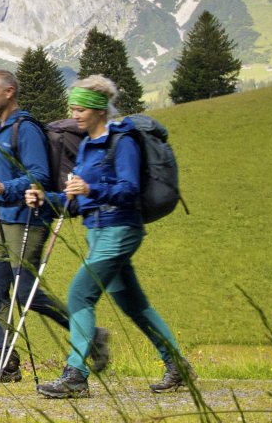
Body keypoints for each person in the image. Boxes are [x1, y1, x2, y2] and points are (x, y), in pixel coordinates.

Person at [26, 75, 192, 398]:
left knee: (79, 295)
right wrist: (48, 198)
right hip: (98, 233)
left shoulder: (123, 140)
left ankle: (75, 375)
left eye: (80, 109)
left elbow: (128, 190)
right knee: (135, 304)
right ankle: (178, 365)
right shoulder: (87, 146)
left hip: (119, 230)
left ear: (99, 110)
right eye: (72, 108)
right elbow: (78, 201)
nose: (74, 114)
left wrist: (91, 187)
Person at [0, 70, 104, 383]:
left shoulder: (25, 129)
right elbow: (3, 186)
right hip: (3, 221)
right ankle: (6, 360)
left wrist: (3, 189)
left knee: (27, 293)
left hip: (30, 220)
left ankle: (91, 335)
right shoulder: (0, 131)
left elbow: (37, 177)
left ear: (9, 92)